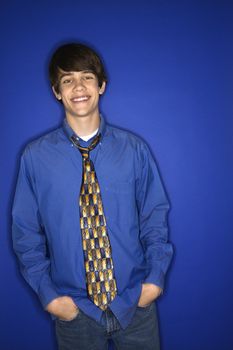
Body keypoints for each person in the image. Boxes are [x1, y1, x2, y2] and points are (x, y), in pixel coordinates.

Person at [12, 43, 173, 350]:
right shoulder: (34, 157)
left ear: (101, 85)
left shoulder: (134, 149)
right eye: (67, 80)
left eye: (87, 77)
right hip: (75, 312)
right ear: (57, 92)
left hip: (134, 304)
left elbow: (154, 216)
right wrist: (50, 295)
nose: (78, 87)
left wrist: (153, 281)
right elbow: (25, 232)